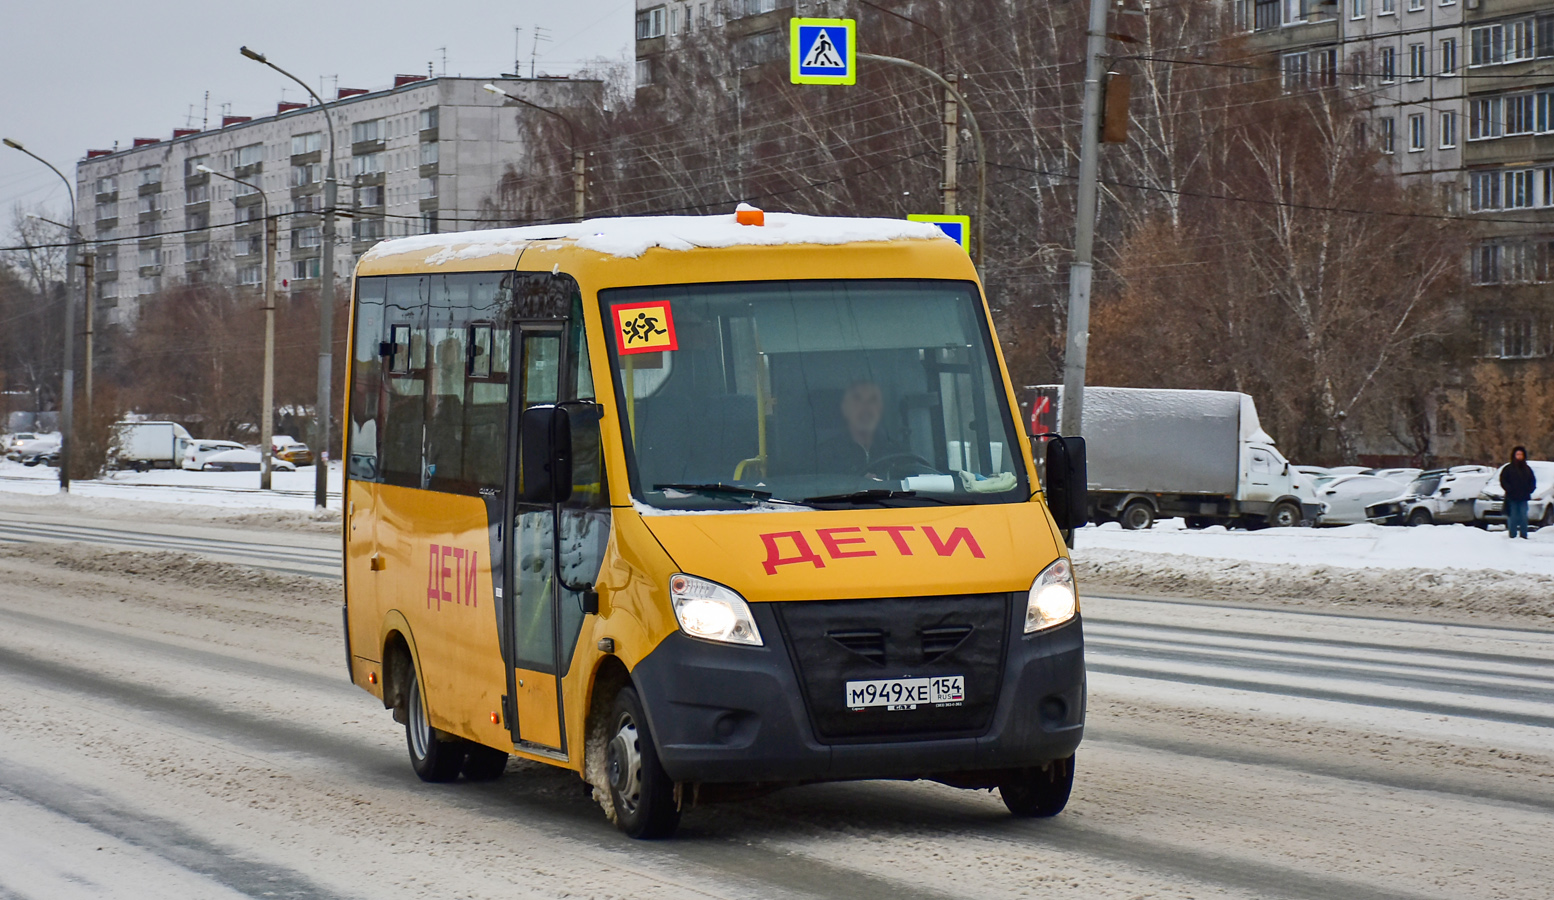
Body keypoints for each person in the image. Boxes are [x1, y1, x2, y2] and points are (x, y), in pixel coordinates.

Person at [817, 381, 907, 478]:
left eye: (872, 401)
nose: (866, 408)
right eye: (857, 400)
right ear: (845, 408)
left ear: (880, 409)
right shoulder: (824, 456)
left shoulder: (898, 453)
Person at [1500, 445, 1536, 540]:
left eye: (1521, 454)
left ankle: (1523, 535)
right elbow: (1503, 480)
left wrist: (1530, 489)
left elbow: (1532, 481)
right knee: (1513, 517)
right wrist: (1509, 489)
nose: (1519, 456)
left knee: (1523, 516)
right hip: (1512, 497)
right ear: (1514, 455)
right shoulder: (1508, 469)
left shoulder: (1527, 469)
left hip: (1524, 497)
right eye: (1517, 454)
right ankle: (1512, 535)